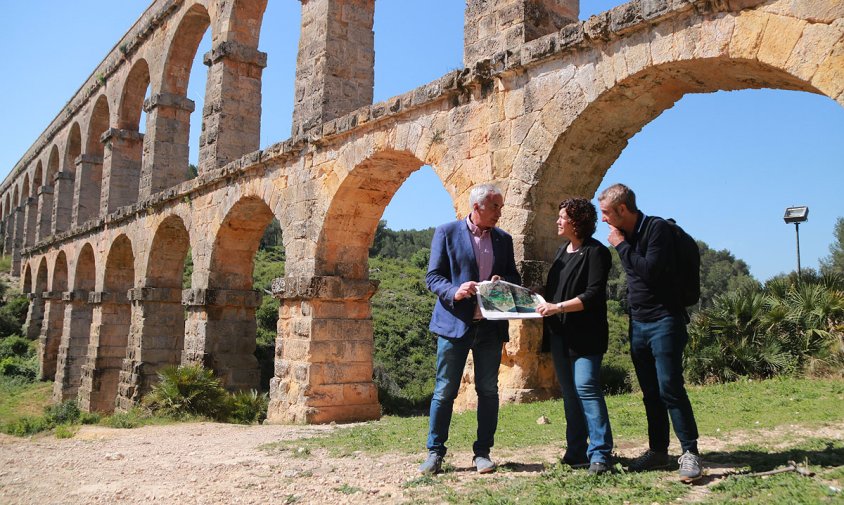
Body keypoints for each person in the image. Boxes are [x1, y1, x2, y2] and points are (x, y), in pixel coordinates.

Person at [597, 183, 703, 482]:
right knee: (650, 393)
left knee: (670, 387)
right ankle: (658, 452)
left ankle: (690, 452)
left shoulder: (656, 230)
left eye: (606, 213)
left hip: (665, 321)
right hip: (638, 323)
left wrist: (620, 245)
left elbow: (650, 270)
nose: (603, 220)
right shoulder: (628, 235)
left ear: (621, 209)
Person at [419, 183, 521, 475]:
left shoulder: (504, 239)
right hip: (454, 325)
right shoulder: (446, 232)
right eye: (495, 207)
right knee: (444, 391)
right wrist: (455, 291)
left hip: (490, 327)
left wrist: (503, 281)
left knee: (488, 390)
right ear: (477, 207)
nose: (500, 213)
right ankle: (435, 453)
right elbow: (433, 277)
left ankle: (483, 453)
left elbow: (514, 275)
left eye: (500, 207)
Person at [536, 198, 614, 476]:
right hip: (560, 334)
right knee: (570, 395)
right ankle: (577, 451)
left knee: (587, 390)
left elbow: (593, 295)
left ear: (577, 221)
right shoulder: (561, 252)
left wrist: (557, 307)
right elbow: (551, 292)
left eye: (562, 217)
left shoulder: (597, 253)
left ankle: (601, 454)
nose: (558, 221)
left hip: (586, 336)